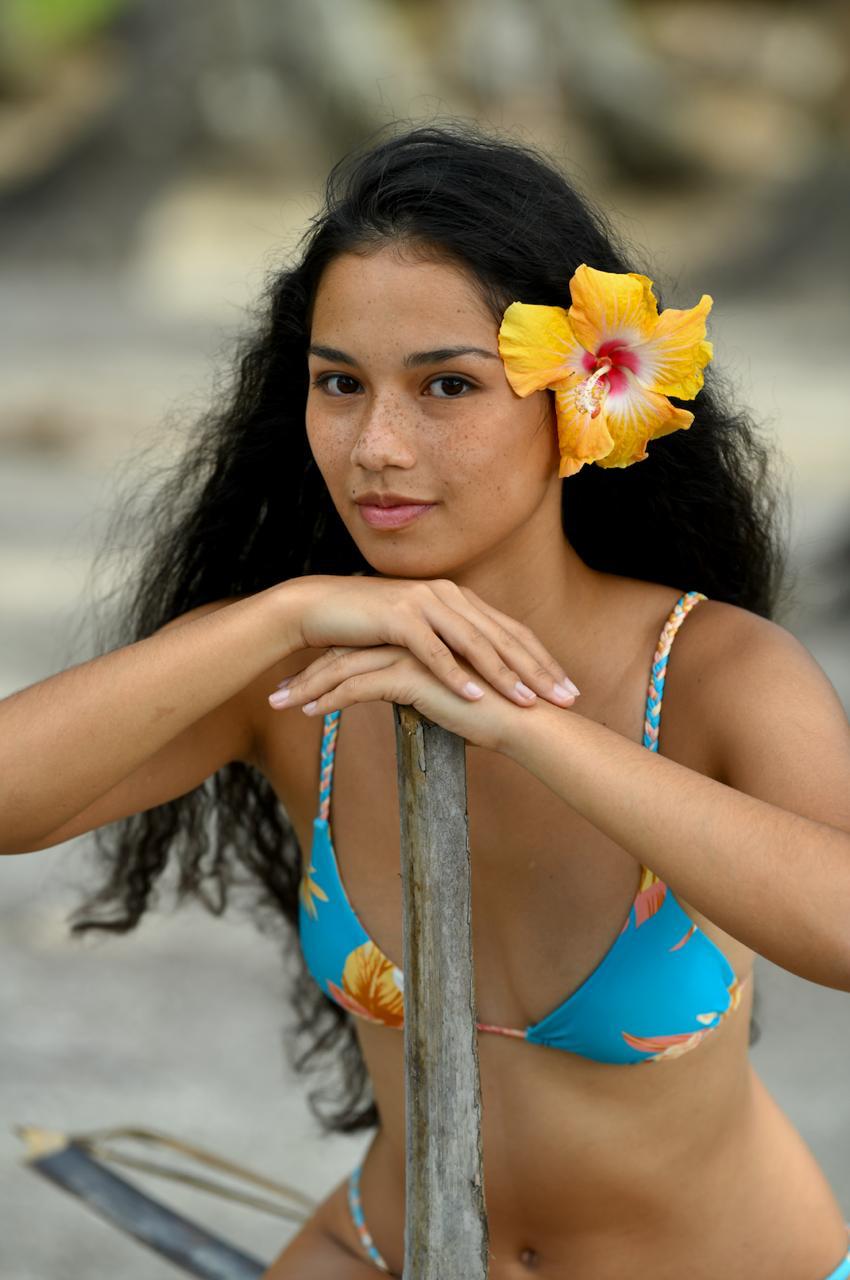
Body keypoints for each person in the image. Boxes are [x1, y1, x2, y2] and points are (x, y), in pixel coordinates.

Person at [3, 121, 850, 1279]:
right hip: (387, 1246)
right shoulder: (297, 677)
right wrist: (281, 613)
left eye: (447, 384)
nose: (375, 445)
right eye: (337, 384)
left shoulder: (708, 669)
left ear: (581, 402)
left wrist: (528, 725)